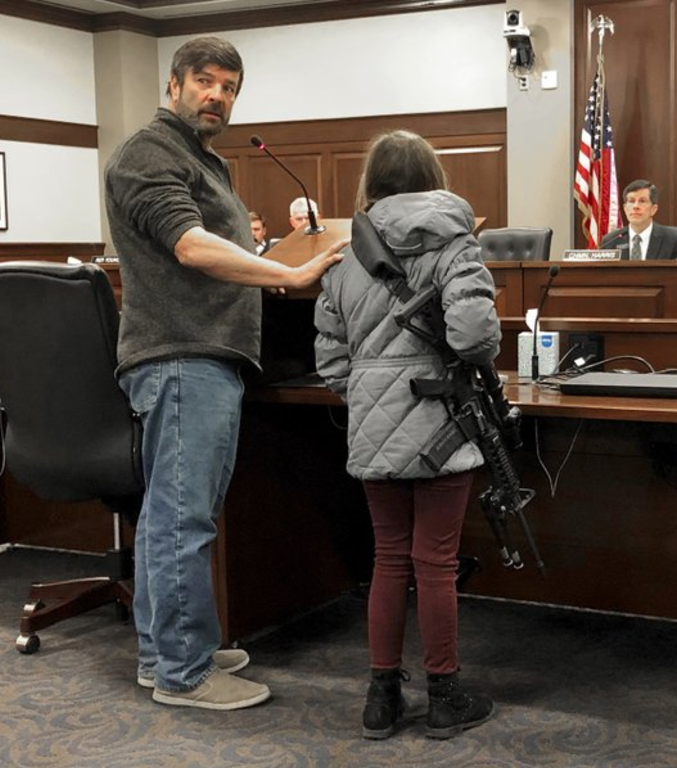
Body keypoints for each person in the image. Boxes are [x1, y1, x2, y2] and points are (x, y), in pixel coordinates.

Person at [104, 36, 346, 711]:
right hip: (182, 352)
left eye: (230, 87)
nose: (218, 96)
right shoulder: (149, 153)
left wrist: (266, 267)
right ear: (174, 83)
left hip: (202, 352)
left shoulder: (200, 159)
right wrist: (289, 272)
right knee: (184, 519)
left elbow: (218, 245)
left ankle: (168, 653)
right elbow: (189, 244)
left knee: (170, 517)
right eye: (205, 82)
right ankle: (184, 672)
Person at [314, 130, 499, 740]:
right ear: (434, 178)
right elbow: (473, 337)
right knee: (436, 563)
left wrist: (369, 392)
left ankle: (381, 698)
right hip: (443, 418)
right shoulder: (456, 247)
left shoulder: (346, 261)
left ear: (372, 184)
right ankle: (443, 694)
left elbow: (331, 361)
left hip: (372, 428)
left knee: (389, 559)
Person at [599, 179, 677, 259]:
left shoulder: (673, 241)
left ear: (653, 209)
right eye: (631, 201)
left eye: (642, 201)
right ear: (625, 209)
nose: (636, 206)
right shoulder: (610, 241)